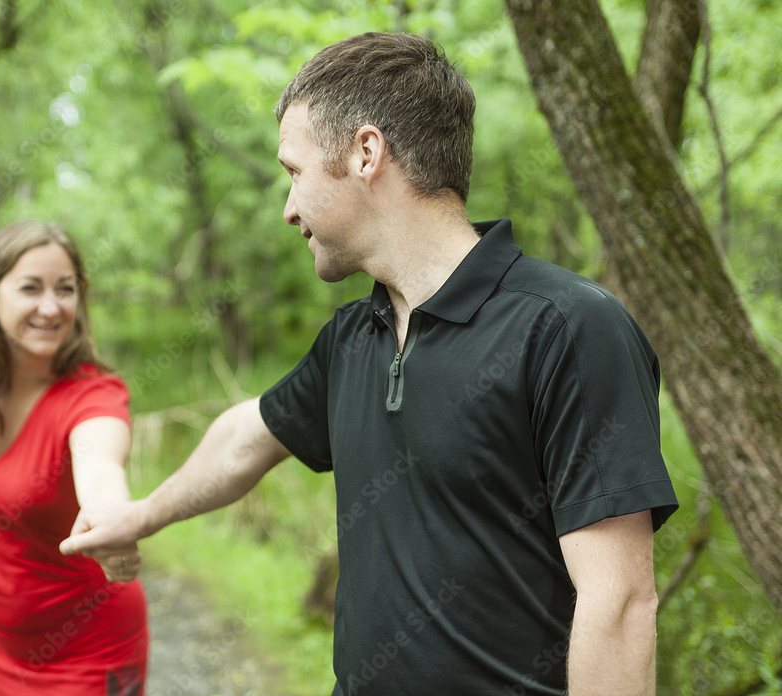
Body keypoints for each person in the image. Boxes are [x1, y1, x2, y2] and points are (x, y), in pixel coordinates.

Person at [60, 32, 679, 695]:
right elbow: (250, 436)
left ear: (366, 153)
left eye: (294, 173)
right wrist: (143, 514)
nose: (288, 208)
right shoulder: (357, 335)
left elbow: (618, 607)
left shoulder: (566, 327)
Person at [0, 220, 148, 694]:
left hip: (91, 653)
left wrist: (112, 518)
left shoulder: (93, 396)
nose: (51, 307)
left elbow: (100, 467)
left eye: (66, 289)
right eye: (31, 288)